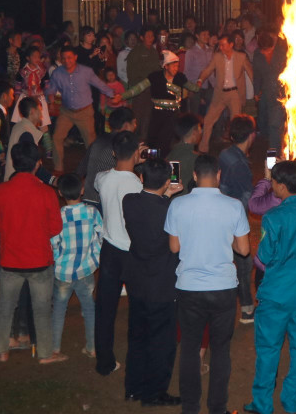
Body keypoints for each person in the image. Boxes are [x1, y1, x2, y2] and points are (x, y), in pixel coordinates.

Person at [164, 154, 249, 414]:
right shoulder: (233, 206)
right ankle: (217, 408)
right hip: (223, 288)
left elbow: (174, 247)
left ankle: (190, 407)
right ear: (219, 175)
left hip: (189, 287)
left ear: (194, 176)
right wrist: (230, 241)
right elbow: (244, 250)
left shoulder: (178, 205)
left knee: (189, 348)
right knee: (221, 350)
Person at [244, 160, 296, 414]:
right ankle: (291, 401)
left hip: (276, 294)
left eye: (273, 183)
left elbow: (266, 256)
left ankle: (262, 403)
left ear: (281, 186)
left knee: (268, 350)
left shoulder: (273, 217)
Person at [0, 142, 66, 365]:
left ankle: (1, 350)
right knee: (42, 309)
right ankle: (44, 353)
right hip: (39, 260)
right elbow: (55, 228)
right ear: (38, 164)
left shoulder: (1, 190)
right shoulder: (46, 193)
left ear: (13, 162)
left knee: (5, 306)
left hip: (10, 260)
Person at [121, 159, 182, 407]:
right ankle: (154, 392)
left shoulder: (129, 201)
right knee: (162, 342)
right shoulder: (170, 209)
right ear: (168, 181)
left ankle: (133, 387)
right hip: (162, 284)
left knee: (137, 337)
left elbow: (149, 202)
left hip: (136, 281)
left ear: (142, 178)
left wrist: (164, 193)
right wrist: (168, 195)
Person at [93, 131, 143, 378]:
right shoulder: (136, 184)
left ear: (113, 153)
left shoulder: (102, 179)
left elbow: (98, 181)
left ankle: (104, 361)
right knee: (138, 306)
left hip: (110, 248)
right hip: (132, 251)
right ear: (137, 153)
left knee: (105, 308)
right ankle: (138, 358)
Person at [50, 174, 102, 360]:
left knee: (58, 309)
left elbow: (53, 243)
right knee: (89, 308)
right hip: (85, 270)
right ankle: (92, 347)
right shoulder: (92, 212)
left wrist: (57, 261)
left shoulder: (57, 216)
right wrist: (94, 257)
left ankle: (55, 348)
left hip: (62, 272)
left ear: (60, 193)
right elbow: (100, 237)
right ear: (82, 190)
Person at [218, 114, 257, 324]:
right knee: (243, 264)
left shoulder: (225, 154)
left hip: (221, 214)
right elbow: (248, 199)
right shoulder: (240, 165)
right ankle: (247, 309)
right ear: (251, 136)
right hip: (233, 219)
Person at [120, 50, 188, 153]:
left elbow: (188, 91)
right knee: (154, 139)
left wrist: (200, 81)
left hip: (172, 115)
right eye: (173, 65)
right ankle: (152, 163)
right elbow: (139, 87)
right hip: (158, 114)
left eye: (177, 66)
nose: (175, 68)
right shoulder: (155, 77)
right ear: (166, 66)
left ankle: (163, 163)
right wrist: (122, 96)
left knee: (167, 141)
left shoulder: (179, 77)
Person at [196, 34, 254, 153]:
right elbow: (208, 69)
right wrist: (200, 80)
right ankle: (203, 148)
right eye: (220, 45)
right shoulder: (217, 57)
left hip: (235, 94)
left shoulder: (241, 57)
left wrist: (257, 90)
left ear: (231, 45)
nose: (220, 47)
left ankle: (240, 151)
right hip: (220, 93)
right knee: (208, 120)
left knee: (237, 124)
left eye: (223, 45)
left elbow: (251, 73)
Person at [75, 107, 137, 213]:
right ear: (126, 125)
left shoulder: (98, 141)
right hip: (106, 201)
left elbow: (81, 168)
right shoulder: (123, 145)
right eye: (134, 123)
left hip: (88, 196)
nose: (136, 126)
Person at [252, 31, 287, 152]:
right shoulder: (257, 55)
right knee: (262, 119)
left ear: (273, 46)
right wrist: (256, 92)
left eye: (268, 50)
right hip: (265, 91)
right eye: (263, 50)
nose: (265, 52)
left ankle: (274, 153)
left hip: (280, 93)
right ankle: (270, 141)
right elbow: (256, 75)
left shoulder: (282, 53)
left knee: (274, 123)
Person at [125, 27, 162, 139]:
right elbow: (131, 73)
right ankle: (133, 141)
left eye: (152, 36)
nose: (151, 38)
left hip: (152, 89)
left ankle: (144, 141)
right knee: (138, 117)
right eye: (148, 36)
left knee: (148, 116)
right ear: (142, 37)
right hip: (140, 89)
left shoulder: (154, 52)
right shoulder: (136, 52)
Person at [166, 113, 203, 193]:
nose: (201, 132)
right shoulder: (194, 158)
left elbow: (173, 180)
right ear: (194, 131)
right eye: (200, 128)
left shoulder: (173, 152)